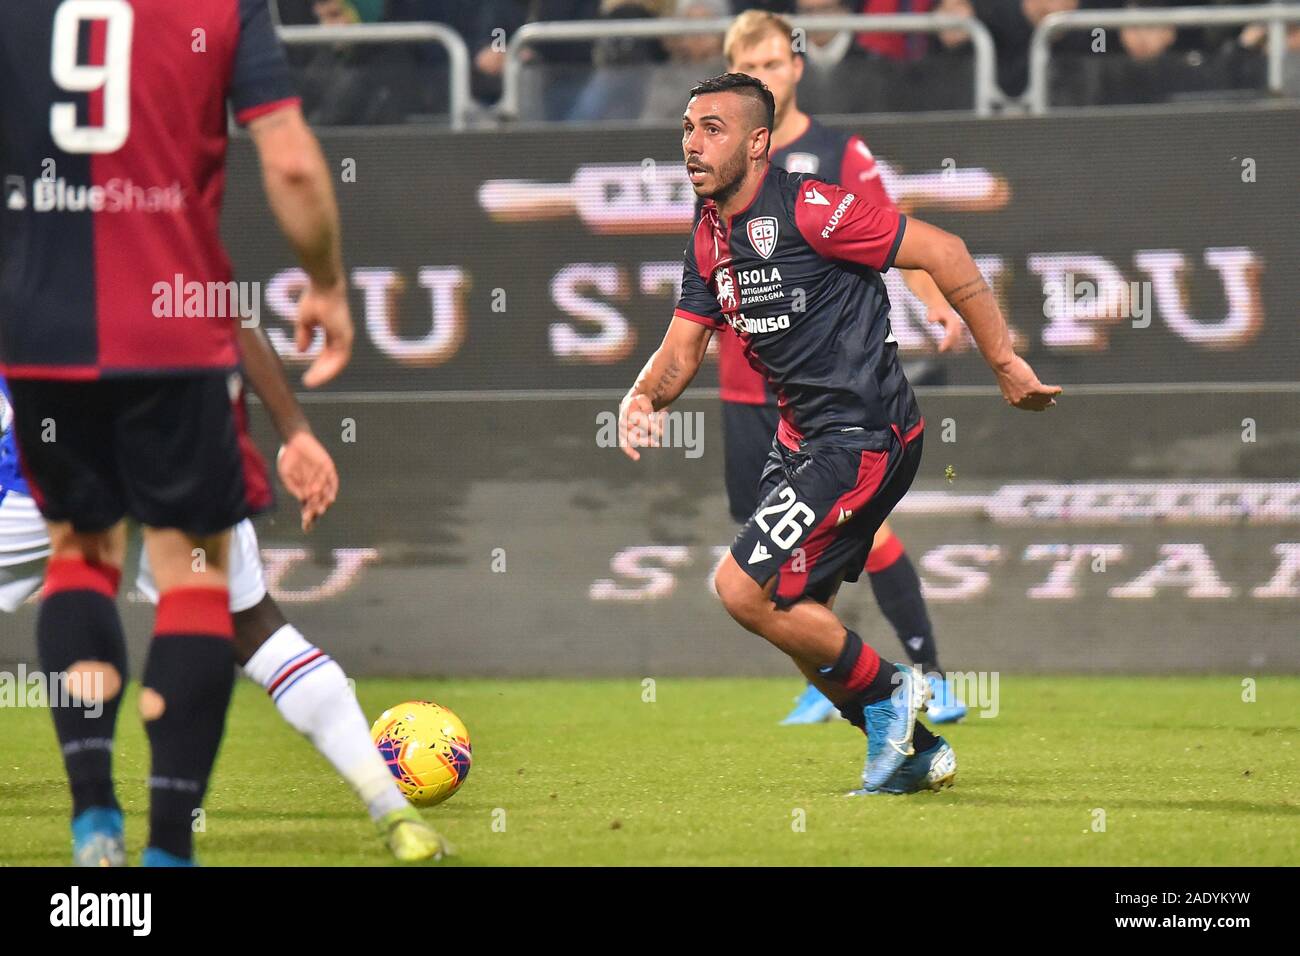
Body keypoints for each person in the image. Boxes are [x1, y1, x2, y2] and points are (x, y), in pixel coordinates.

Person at [619, 73, 1059, 793]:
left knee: (739, 588)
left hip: (866, 435)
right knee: (789, 612)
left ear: (758, 143)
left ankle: (891, 693)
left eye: (712, 129)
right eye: (687, 130)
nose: (691, 145)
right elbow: (680, 351)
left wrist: (1005, 362)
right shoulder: (708, 236)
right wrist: (643, 397)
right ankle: (914, 750)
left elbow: (943, 250)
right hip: (801, 442)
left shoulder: (812, 208)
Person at [0, 0, 352, 865]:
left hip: (40, 333)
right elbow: (296, 168)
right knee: (193, 574)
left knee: (78, 554)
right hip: (172, 326)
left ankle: (92, 819)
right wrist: (327, 283)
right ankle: (166, 851)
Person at [0, 326, 446, 864]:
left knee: (84, 569)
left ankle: (97, 815)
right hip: (184, 435)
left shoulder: (40, 251)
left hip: (63, 447)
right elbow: (231, 312)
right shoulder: (175, 250)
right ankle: (392, 811)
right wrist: (295, 430)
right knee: (257, 630)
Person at [721, 10, 968, 725]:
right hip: (745, 389)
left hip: (827, 395)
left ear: (796, 67)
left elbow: (902, 235)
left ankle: (928, 674)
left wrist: (933, 305)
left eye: (772, 64)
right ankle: (826, 670)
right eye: (749, 70)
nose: (763, 78)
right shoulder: (727, 164)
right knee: (776, 556)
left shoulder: (838, 154)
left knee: (861, 529)